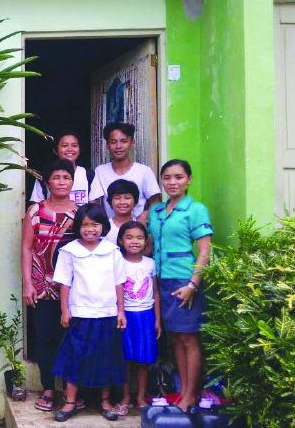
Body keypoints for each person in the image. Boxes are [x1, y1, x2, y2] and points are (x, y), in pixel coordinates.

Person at [51, 204, 127, 422]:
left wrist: (121, 311)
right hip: (80, 313)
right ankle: (70, 401)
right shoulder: (69, 251)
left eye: (95, 224)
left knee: (106, 356)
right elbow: (64, 283)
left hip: (107, 313)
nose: (90, 229)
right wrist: (65, 310)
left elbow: (119, 283)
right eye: (84, 225)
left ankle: (105, 401)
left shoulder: (112, 251)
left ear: (103, 226)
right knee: (75, 356)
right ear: (78, 227)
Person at [147, 160, 213, 412]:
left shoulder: (196, 209)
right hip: (161, 280)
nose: (172, 182)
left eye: (178, 177)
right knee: (175, 338)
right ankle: (184, 392)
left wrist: (193, 285)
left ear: (189, 180)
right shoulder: (156, 211)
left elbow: (204, 251)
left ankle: (191, 395)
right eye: (167, 177)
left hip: (184, 282)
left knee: (189, 338)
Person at [21, 159, 83, 413]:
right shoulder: (35, 211)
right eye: (56, 177)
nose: (61, 182)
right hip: (42, 286)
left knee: (72, 339)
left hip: (75, 289)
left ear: (72, 182)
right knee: (46, 338)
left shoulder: (81, 214)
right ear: (47, 183)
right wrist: (28, 284)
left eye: (66, 177)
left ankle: (70, 392)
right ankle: (48, 389)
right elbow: (26, 247)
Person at [113, 221, 161, 416]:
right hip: (125, 316)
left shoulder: (150, 263)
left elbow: (155, 292)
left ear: (146, 241)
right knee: (124, 358)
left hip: (146, 316)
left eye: (140, 238)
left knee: (144, 359)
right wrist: (120, 312)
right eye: (129, 237)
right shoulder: (118, 262)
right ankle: (125, 398)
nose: (135, 241)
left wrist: (157, 319)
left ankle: (140, 397)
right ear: (121, 241)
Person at [88, 123, 161, 223]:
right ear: (107, 145)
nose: (118, 146)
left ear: (132, 142)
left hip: (136, 228)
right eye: (113, 142)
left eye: (124, 141)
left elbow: (156, 201)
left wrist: (144, 217)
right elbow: (93, 202)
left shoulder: (144, 171)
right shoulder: (101, 171)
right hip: (110, 229)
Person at [30, 131, 94, 206]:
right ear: (55, 150)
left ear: (79, 150)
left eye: (74, 145)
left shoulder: (88, 175)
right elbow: (36, 207)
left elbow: (92, 208)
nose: (70, 149)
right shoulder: (43, 176)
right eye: (64, 145)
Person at [104, 179, 139, 245]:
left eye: (127, 198)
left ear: (135, 201)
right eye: (117, 198)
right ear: (110, 202)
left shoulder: (140, 227)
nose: (122, 202)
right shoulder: (104, 227)